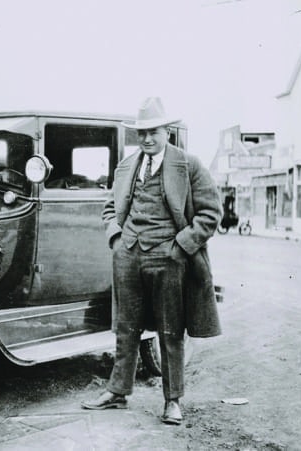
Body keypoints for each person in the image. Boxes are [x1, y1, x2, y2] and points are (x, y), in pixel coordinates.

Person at [81, 97, 223, 425]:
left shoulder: (189, 165)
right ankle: (117, 392)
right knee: (125, 326)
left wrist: (180, 247)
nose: (146, 138)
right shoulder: (127, 166)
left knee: (170, 330)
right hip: (128, 254)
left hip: (169, 257)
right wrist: (117, 238)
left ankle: (172, 400)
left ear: (167, 132)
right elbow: (109, 207)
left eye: (153, 132)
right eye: (141, 132)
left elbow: (211, 213)